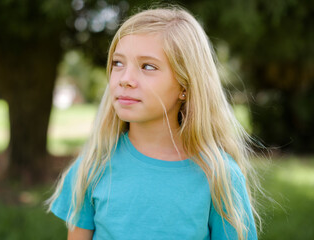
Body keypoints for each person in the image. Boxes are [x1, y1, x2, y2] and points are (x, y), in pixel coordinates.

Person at [47, 7, 261, 240]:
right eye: (118, 63)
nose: (125, 79)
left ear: (185, 86)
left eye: (148, 66)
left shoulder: (220, 177)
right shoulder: (93, 165)